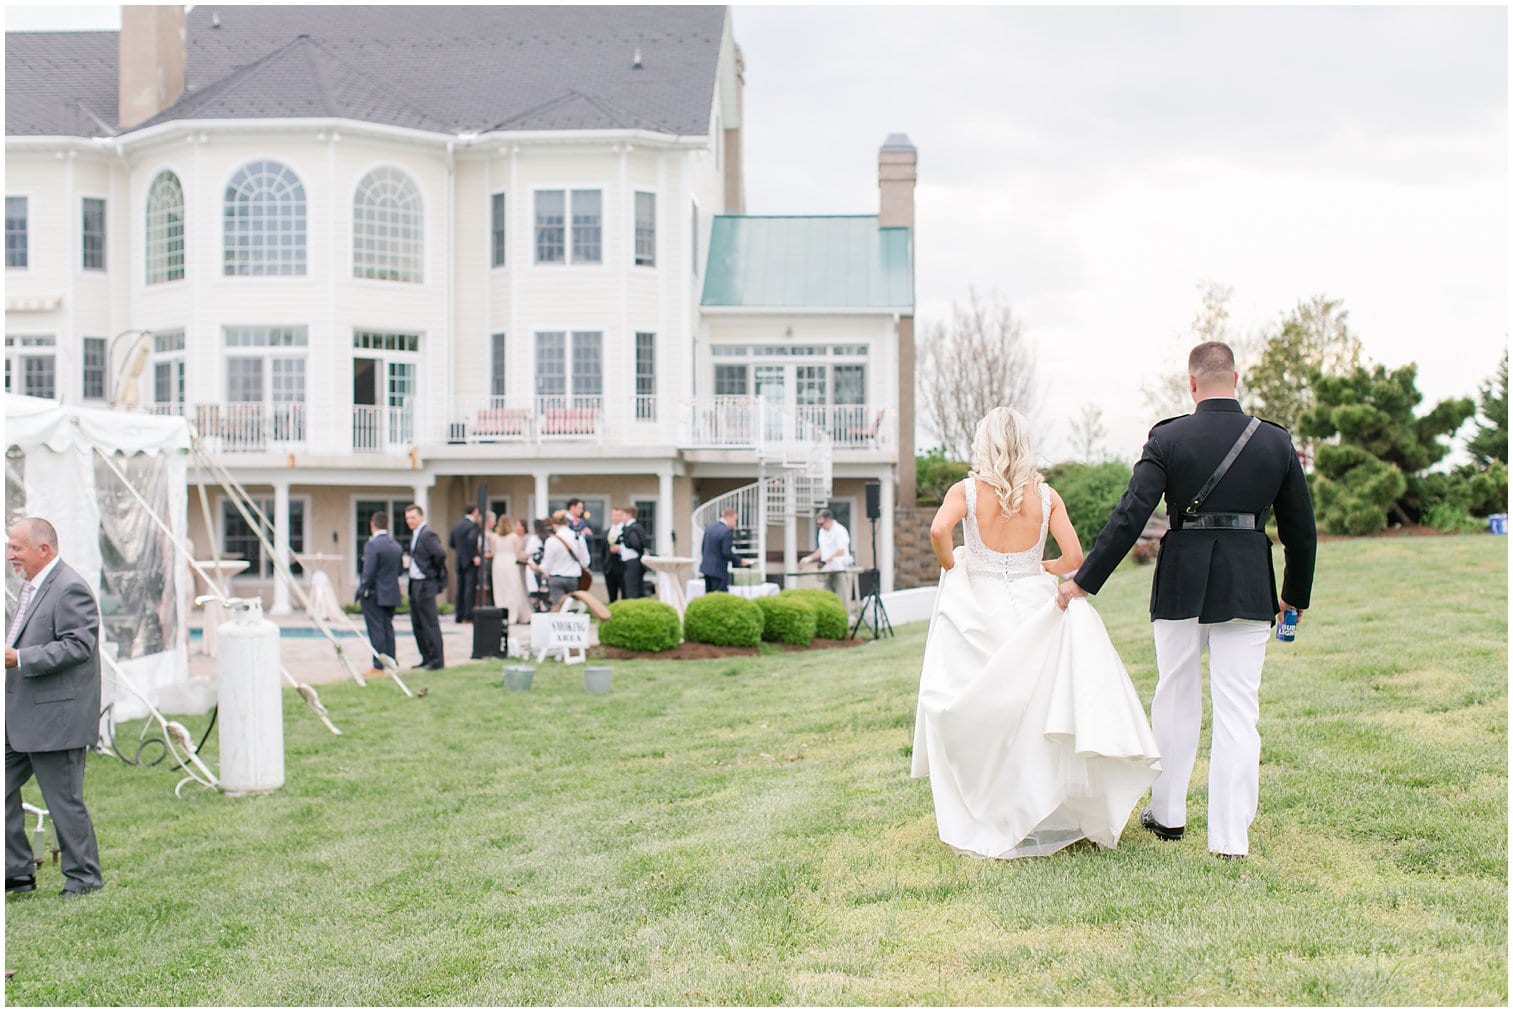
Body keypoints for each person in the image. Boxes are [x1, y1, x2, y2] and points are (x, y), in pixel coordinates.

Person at [1057, 341, 1317, 860]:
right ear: (1236, 379)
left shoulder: (1168, 437)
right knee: (1239, 708)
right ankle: (1229, 838)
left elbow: (1131, 513)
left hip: (1181, 578)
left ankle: (1169, 814)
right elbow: (1301, 531)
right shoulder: (1274, 441)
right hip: (1247, 580)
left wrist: (1083, 581)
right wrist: (1293, 595)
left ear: (1192, 384)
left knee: (1175, 692)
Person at [911, 408, 1161, 860]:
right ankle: (1041, 809)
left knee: (984, 708)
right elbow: (1073, 556)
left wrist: (954, 565)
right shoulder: (1047, 497)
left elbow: (937, 530)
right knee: (1035, 711)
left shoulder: (965, 491)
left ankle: (993, 808)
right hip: (1032, 602)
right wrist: (1039, 567)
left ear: (982, 444)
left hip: (978, 602)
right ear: (1027, 445)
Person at [5, 517, 105, 897]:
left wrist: (21, 658)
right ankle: (15, 871)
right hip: (21, 719)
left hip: (56, 720)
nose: (10, 554)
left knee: (63, 803)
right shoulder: (33, 586)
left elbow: (79, 646)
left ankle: (84, 879)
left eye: (16, 547)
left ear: (43, 549)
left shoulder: (69, 588)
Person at [356, 511, 403, 677]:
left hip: (375, 594)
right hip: (391, 593)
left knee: (376, 630)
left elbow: (368, 572)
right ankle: (391, 661)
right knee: (387, 629)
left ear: (372, 525)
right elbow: (399, 570)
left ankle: (378, 665)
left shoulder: (373, 545)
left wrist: (361, 590)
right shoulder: (395, 545)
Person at [403, 504, 447, 671]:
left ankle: (437, 659)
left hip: (425, 583)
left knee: (429, 622)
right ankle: (426, 657)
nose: (410, 521)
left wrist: (431, 571)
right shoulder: (415, 535)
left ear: (420, 517)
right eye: (407, 518)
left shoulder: (428, 534)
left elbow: (440, 554)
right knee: (417, 622)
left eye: (413, 517)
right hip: (415, 582)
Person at [539, 510, 590, 606]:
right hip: (573, 578)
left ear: (554, 524)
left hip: (556, 578)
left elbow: (546, 566)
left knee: (559, 608)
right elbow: (585, 562)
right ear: (567, 523)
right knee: (572, 608)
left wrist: (537, 568)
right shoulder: (578, 538)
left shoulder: (551, 540)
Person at [802, 508, 855, 601]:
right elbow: (822, 550)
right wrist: (809, 558)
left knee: (841, 596)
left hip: (839, 567)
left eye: (821, 524)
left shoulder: (839, 530)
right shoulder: (822, 532)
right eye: (818, 524)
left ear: (829, 520)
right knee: (827, 595)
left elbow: (841, 551)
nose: (820, 526)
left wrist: (827, 560)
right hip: (828, 568)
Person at [490, 515, 531, 625]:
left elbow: (493, 553)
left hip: (498, 563)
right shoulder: (514, 537)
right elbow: (518, 553)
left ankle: (501, 613)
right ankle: (513, 616)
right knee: (513, 588)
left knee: (500, 589)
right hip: (510, 563)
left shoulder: (494, 537)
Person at [699, 507, 747, 593]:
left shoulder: (709, 527)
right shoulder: (727, 531)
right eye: (735, 520)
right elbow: (726, 552)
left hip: (707, 568)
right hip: (719, 570)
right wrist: (739, 561)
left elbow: (703, 548)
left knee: (709, 597)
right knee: (720, 597)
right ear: (729, 517)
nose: (735, 523)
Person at [448, 506, 482, 623]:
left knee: (460, 588)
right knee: (469, 589)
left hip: (459, 560)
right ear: (474, 511)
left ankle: (459, 615)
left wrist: (460, 552)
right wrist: (474, 555)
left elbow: (451, 543)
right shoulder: (473, 526)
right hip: (470, 561)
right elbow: (471, 540)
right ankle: (468, 615)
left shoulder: (457, 525)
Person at [616, 505, 648, 599]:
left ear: (629, 515)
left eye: (623, 515)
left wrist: (625, 545)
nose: (621, 518)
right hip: (633, 562)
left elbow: (635, 544)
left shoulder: (632, 528)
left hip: (632, 562)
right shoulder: (634, 527)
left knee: (631, 589)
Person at [523, 518, 550, 614]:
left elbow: (527, 553)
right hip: (543, 565)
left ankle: (538, 609)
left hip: (533, 566)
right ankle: (544, 607)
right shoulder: (547, 537)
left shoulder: (534, 539)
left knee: (534, 590)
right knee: (543, 589)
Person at [603, 507, 627, 603]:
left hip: (623, 568)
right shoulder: (606, 532)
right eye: (613, 515)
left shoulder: (626, 531)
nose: (615, 517)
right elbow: (603, 552)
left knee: (625, 595)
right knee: (612, 597)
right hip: (609, 569)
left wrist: (620, 549)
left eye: (618, 515)